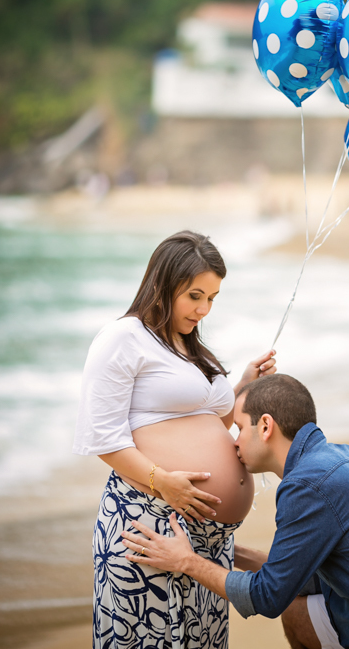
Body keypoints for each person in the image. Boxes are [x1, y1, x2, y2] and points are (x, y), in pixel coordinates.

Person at [121, 374, 349, 649]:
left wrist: (187, 562)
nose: (234, 441)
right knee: (301, 604)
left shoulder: (307, 484)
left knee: (289, 603)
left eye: (240, 428)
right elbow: (306, 580)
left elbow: (267, 596)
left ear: (265, 426)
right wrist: (231, 552)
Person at [72, 230, 276, 649]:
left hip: (207, 542)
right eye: (195, 296)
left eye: (213, 298)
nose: (204, 309)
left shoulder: (190, 347)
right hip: (148, 522)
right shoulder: (122, 339)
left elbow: (210, 426)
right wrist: (161, 482)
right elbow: (103, 437)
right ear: (164, 285)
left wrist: (241, 387)